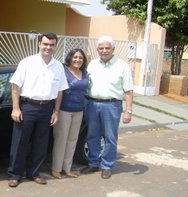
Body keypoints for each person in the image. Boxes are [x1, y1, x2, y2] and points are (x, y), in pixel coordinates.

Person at [7, 32, 69, 187]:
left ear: (56, 46)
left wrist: (56, 111)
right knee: (20, 142)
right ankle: (15, 175)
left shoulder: (58, 67)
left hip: (47, 108)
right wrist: (16, 108)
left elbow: (60, 91)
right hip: (27, 107)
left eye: (52, 45)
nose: (48, 47)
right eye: (45, 44)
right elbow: (15, 86)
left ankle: (34, 173)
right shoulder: (27, 62)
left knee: (41, 143)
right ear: (39, 44)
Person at [81, 35, 134, 179]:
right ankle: (93, 163)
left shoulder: (122, 66)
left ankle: (107, 165)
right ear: (97, 49)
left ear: (113, 49)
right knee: (92, 135)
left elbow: (128, 90)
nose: (104, 50)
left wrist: (128, 111)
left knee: (110, 137)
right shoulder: (92, 64)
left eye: (107, 48)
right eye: (101, 48)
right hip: (91, 104)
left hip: (112, 105)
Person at [51, 48, 89, 179]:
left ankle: (67, 168)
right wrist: (55, 111)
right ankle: (56, 168)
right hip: (64, 111)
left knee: (72, 140)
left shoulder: (84, 73)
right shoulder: (63, 71)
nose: (77, 60)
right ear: (70, 58)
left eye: (80, 58)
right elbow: (57, 90)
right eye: (75, 57)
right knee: (61, 140)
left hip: (79, 111)